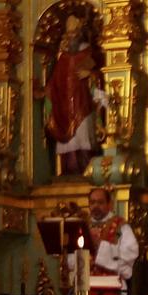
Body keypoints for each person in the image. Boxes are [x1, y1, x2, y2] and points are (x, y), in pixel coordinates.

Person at [41, 14, 104, 176]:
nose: (70, 38)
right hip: (63, 110)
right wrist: (46, 96)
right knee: (67, 147)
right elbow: (54, 82)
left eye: (73, 34)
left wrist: (90, 75)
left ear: (80, 33)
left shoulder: (89, 53)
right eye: (68, 35)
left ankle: (86, 175)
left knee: (83, 142)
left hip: (83, 107)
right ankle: (67, 176)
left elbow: (101, 77)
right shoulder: (62, 58)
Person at [68, 188, 139, 295]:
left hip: (113, 285)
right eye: (92, 202)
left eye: (100, 202)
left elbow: (131, 253)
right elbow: (71, 260)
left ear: (109, 204)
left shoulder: (121, 226)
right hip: (84, 286)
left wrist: (100, 245)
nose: (96, 206)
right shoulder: (82, 225)